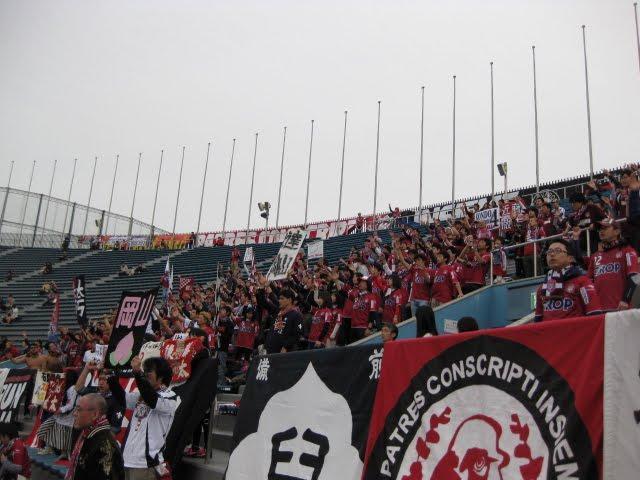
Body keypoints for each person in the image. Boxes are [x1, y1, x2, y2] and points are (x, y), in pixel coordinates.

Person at [110, 356, 180, 480]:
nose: (146, 373)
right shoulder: (141, 395)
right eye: (145, 370)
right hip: (126, 460)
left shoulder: (170, 397)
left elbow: (152, 400)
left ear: (161, 376)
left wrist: (138, 374)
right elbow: (122, 399)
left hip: (146, 464)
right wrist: (111, 375)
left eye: (149, 371)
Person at [534, 239, 602, 322]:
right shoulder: (542, 288)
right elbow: (537, 320)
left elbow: (595, 314)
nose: (552, 254)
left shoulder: (582, 282)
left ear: (570, 258)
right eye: (549, 251)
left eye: (558, 251)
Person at [66, 393, 124, 480]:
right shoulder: (87, 434)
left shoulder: (104, 444)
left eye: (79, 410)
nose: (74, 413)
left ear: (95, 414)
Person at [588, 218, 640, 312]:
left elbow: (635, 277)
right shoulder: (595, 256)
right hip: (598, 311)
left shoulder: (627, 250)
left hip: (620, 308)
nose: (601, 231)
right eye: (599, 229)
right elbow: (589, 283)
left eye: (605, 228)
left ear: (617, 231)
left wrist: (625, 300)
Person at [265, 289, 303, 354]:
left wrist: (286, 346)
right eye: (279, 299)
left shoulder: (297, 315)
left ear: (289, 300)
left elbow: (297, 334)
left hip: (284, 353)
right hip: (270, 351)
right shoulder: (278, 313)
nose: (279, 301)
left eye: (282, 299)